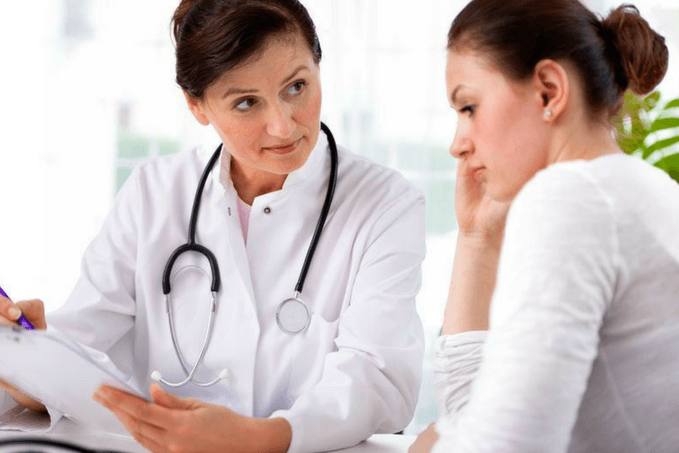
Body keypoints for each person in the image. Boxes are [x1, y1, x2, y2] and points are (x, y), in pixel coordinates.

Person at [0, 1, 426, 452]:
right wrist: (27, 358)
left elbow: (378, 379)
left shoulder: (385, 203)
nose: (283, 124)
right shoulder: (154, 192)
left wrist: (260, 439)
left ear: (318, 66)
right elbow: (82, 350)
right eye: (246, 102)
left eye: (297, 86)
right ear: (197, 105)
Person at [409, 0, 679, 452]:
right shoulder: (645, 189)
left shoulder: (572, 198)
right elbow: (476, 412)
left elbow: (509, 444)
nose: (458, 144)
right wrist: (477, 239)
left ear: (549, 91)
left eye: (469, 107)